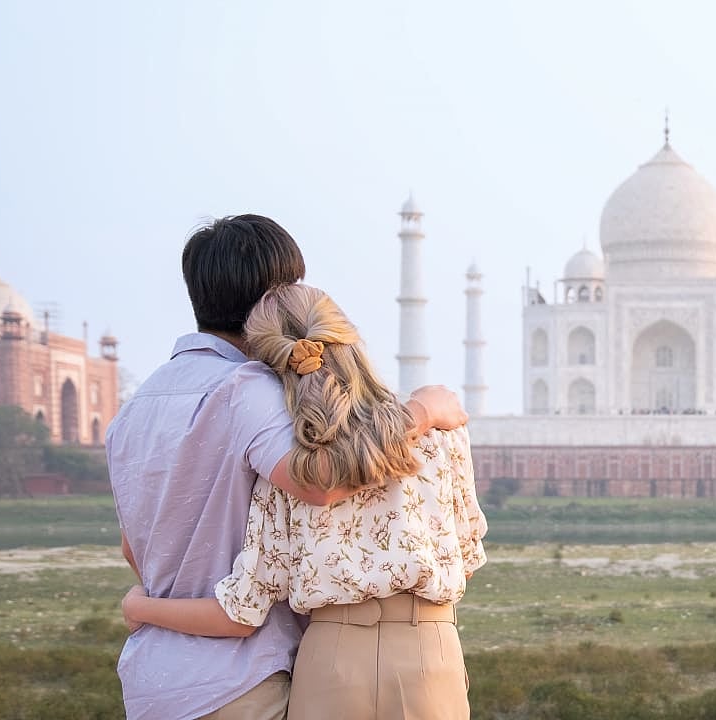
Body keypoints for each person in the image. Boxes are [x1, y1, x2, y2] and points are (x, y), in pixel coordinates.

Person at [107, 215, 467, 720]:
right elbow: (319, 482)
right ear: (272, 300)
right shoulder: (249, 389)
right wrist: (419, 414)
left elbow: (134, 546)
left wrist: (146, 607)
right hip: (242, 679)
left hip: (152, 682)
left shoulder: (133, 409)